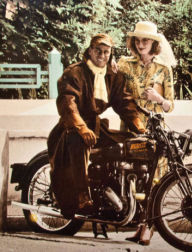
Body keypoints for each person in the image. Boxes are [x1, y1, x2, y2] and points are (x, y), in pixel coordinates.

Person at [47, 33, 145, 219]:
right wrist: (81, 127)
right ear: (90, 51)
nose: (102, 55)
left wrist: (139, 127)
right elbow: (68, 104)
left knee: (130, 143)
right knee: (80, 142)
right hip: (71, 127)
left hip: (97, 126)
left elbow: (124, 103)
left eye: (106, 52)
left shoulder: (112, 76)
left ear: (110, 53)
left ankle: (116, 191)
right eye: (98, 51)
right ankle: (82, 196)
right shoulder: (75, 72)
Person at [118, 21, 176, 246]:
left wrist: (159, 100)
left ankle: (148, 228)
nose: (141, 44)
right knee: (134, 176)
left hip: (154, 132)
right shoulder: (125, 64)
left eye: (146, 40)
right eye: (138, 40)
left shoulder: (163, 69)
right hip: (130, 127)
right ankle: (137, 224)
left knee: (153, 179)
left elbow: (171, 105)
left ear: (154, 43)